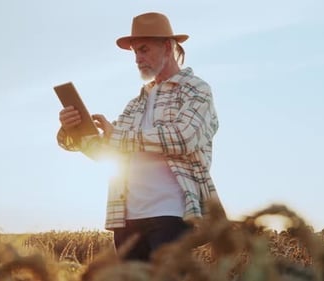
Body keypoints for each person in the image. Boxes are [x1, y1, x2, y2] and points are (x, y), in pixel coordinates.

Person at [57, 12, 221, 261]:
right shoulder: (135, 104)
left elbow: (183, 137)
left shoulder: (196, 90)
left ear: (168, 47)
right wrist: (73, 131)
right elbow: (106, 153)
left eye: (143, 50)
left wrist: (118, 136)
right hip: (127, 220)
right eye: (135, 52)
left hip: (173, 216)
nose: (138, 59)